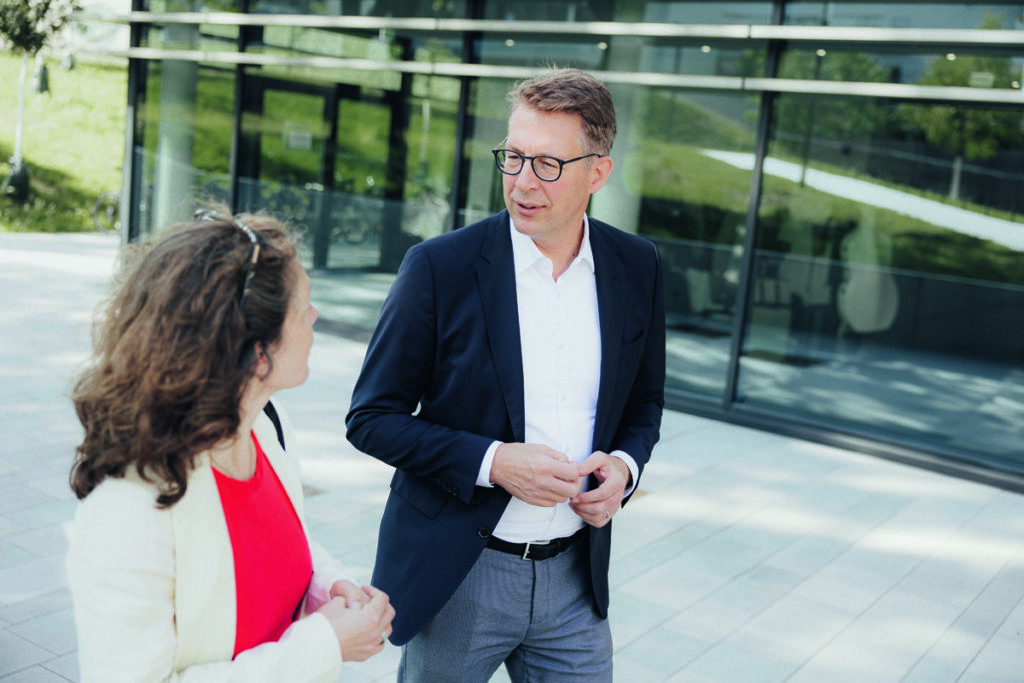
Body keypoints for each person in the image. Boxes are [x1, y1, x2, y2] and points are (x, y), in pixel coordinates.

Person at [346, 68, 666, 681]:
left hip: (576, 579)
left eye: (547, 165)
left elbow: (645, 400)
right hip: (462, 575)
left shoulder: (638, 265)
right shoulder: (439, 267)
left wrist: (623, 470)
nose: (523, 183)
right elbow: (370, 420)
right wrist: (494, 461)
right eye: (513, 157)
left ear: (597, 172)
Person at [66, 209, 395, 682]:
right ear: (258, 352)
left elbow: (272, 545)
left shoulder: (264, 426)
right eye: (303, 308)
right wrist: (324, 642)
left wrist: (327, 586)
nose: (315, 317)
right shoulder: (128, 509)